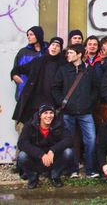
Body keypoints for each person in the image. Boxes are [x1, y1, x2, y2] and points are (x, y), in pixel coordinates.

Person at [52, 44, 99, 179]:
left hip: (86, 112)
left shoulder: (89, 70)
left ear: (79, 54)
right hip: (68, 112)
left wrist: (89, 102)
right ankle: (73, 170)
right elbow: (55, 88)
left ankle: (90, 170)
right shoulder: (63, 69)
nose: (68, 55)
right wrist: (62, 102)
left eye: (71, 53)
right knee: (70, 141)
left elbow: (96, 89)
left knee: (91, 139)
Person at [11, 37, 66, 127]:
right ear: (49, 47)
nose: (54, 47)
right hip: (34, 104)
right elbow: (19, 68)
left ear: (60, 49)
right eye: (53, 45)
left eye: (57, 46)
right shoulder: (38, 61)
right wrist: (14, 75)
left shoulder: (64, 64)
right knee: (31, 130)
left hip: (53, 105)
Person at [17, 105, 73, 189]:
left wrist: (53, 150)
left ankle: (55, 175)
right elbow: (22, 143)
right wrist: (41, 154)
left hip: (52, 159)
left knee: (68, 152)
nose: (49, 116)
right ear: (40, 115)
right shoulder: (30, 124)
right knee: (22, 156)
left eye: (51, 113)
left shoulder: (59, 123)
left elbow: (68, 140)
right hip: (36, 158)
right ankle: (33, 177)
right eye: (45, 113)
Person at [12, 26, 47, 101]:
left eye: (31, 34)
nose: (28, 37)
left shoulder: (48, 50)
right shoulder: (23, 52)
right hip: (25, 91)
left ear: (38, 35)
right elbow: (16, 69)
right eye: (28, 35)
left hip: (44, 92)